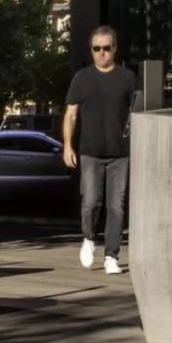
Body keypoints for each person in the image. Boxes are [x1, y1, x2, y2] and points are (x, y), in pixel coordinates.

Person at [62, 26, 138, 274]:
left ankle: (111, 257)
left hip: (120, 153)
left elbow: (136, 114)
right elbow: (71, 115)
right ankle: (88, 238)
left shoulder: (127, 78)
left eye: (107, 48)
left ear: (114, 48)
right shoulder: (82, 79)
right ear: (91, 49)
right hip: (90, 152)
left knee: (117, 205)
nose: (102, 53)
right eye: (97, 48)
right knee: (92, 202)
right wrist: (67, 146)